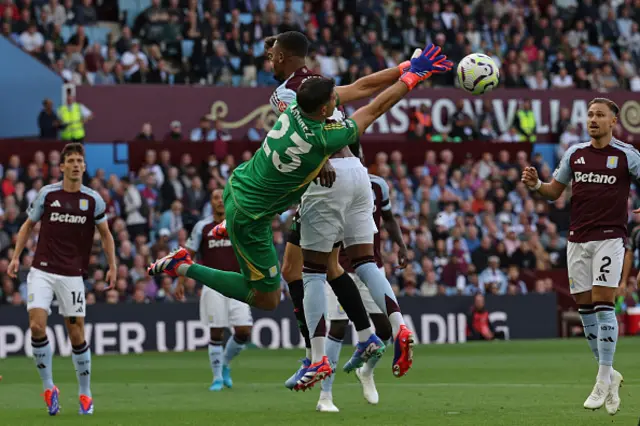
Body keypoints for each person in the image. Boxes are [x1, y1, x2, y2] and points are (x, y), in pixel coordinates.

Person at [148, 40, 449, 389]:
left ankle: (331, 350)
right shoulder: (325, 137)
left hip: (248, 190)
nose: (337, 104)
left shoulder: (289, 106)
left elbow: (359, 91)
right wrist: (412, 75)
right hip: (259, 211)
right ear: (324, 108)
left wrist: (405, 69)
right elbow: (372, 106)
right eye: (333, 102)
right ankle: (186, 263)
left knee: (313, 270)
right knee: (291, 286)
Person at [261, 32, 419, 397]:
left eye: (271, 55)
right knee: (356, 262)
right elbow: (367, 91)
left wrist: (316, 166)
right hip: (359, 173)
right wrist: (409, 69)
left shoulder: (288, 93)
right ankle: (392, 329)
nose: (268, 61)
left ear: (283, 56)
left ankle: (315, 357)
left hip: (325, 178)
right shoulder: (322, 85)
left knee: (309, 271)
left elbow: (303, 134)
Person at [521, 98, 635, 415]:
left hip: (610, 239)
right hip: (577, 241)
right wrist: (535, 185)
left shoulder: (627, 156)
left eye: (600, 115)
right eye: (590, 115)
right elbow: (554, 191)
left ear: (614, 121)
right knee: (585, 309)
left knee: (602, 303)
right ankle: (609, 374)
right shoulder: (575, 154)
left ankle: (601, 380)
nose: (593, 120)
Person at [8, 143, 116, 416]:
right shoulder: (48, 194)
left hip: (72, 274)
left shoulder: (93, 200)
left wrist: (112, 266)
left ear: (84, 166)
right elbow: (27, 225)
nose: (77, 165)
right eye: (72, 161)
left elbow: (105, 234)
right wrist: (15, 257)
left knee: (76, 333)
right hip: (42, 270)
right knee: (36, 325)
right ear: (63, 167)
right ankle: (49, 387)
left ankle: (85, 394)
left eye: (81, 160)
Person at [317, 172, 409, 411]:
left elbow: (388, 218)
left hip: (371, 267)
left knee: (385, 328)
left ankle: (366, 371)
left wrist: (400, 244)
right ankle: (325, 396)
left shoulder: (378, 185)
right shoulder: (332, 181)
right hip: (340, 268)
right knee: (337, 326)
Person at [183, 189, 253, 392]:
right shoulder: (202, 227)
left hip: (238, 283)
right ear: (211, 203)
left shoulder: (236, 224)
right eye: (215, 198)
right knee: (216, 332)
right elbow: (188, 255)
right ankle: (217, 378)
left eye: (222, 198)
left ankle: (224, 364)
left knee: (243, 331)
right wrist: (180, 282)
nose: (220, 202)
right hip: (213, 285)